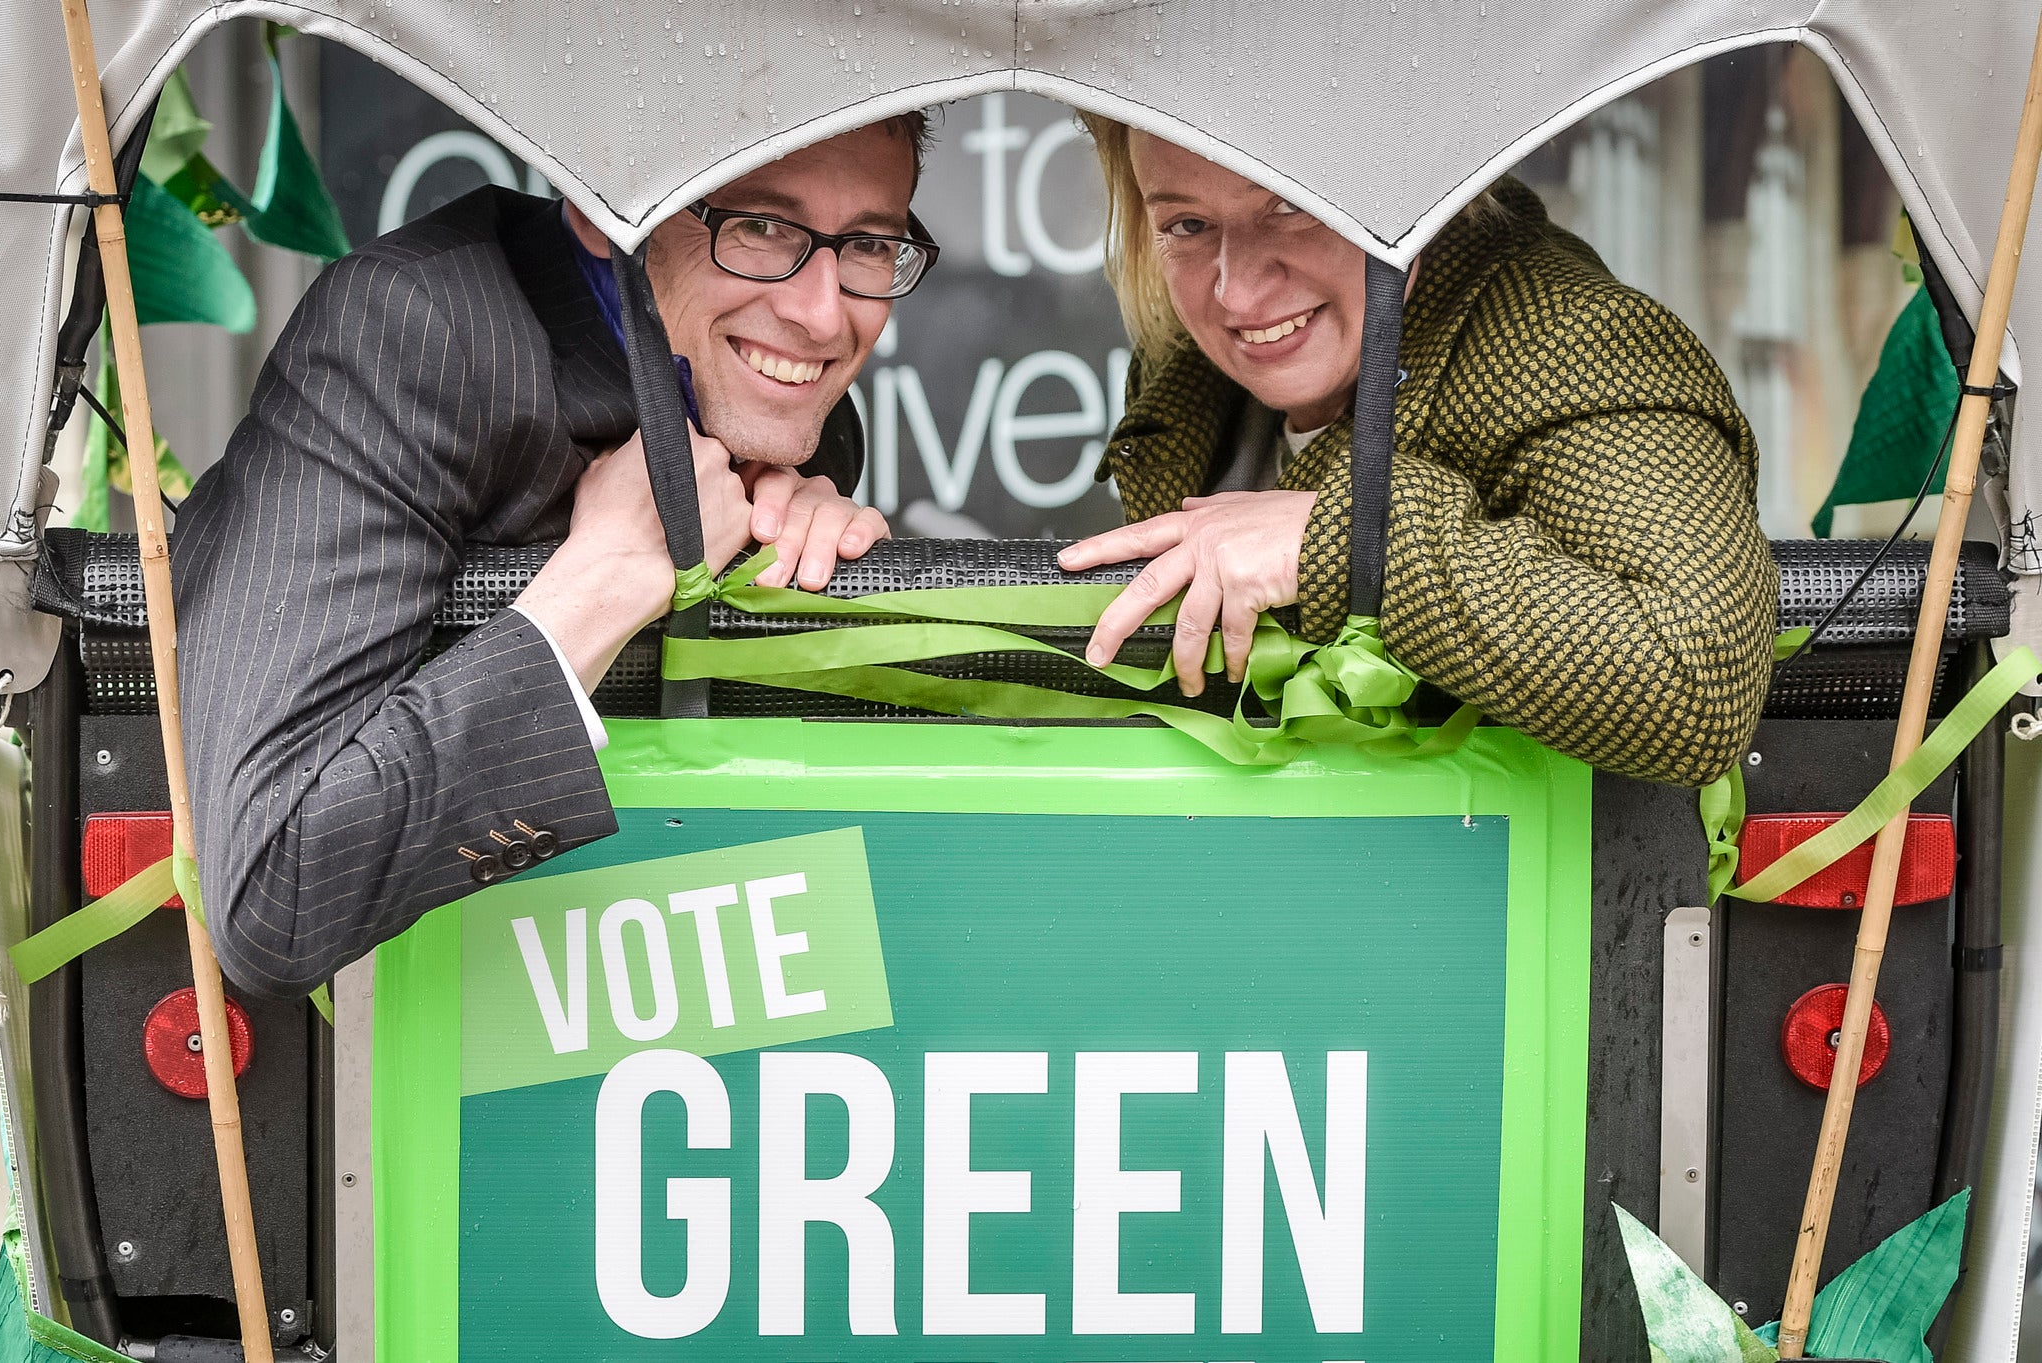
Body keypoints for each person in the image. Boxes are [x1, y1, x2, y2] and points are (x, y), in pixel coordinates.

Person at [172, 116, 934, 997]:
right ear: (600, 207)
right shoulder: (410, 330)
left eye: (871, 244)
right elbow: (277, 888)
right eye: (761, 227)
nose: (821, 314)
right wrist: (601, 582)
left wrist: (794, 527)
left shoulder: (797, 408)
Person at [1061, 119, 1777, 787]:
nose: (1237, 289)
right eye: (1188, 224)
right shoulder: (1183, 371)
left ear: (1412, 187)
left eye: (1291, 205)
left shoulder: (1571, 338)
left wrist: (1344, 538)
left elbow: (1698, 680)